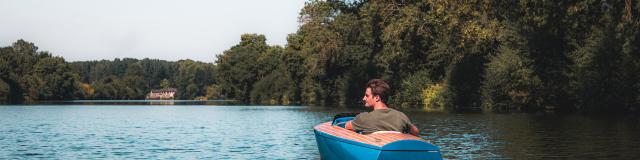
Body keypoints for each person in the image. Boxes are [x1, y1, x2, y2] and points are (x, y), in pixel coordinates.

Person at [345, 79, 420, 136]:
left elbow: (346, 126)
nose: (364, 98)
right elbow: (416, 131)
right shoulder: (401, 116)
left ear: (377, 97)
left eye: (367, 95)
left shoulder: (363, 118)